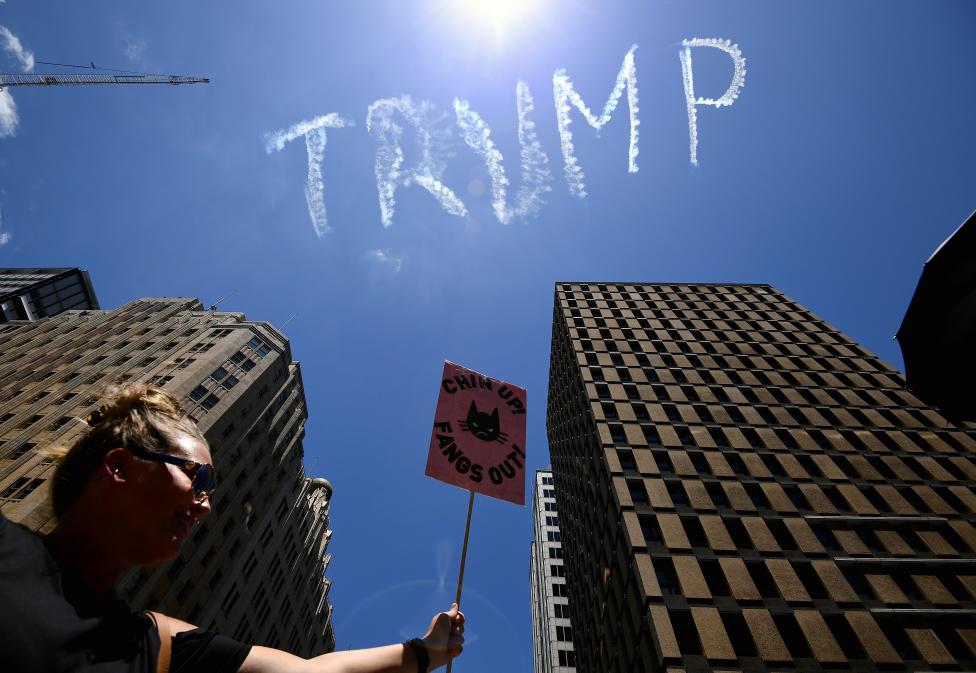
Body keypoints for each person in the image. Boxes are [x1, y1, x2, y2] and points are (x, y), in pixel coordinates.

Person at [0, 383, 464, 672]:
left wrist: (428, 650)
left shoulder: (153, 642)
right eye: (199, 477)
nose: (205, 505)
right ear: (120, 466)